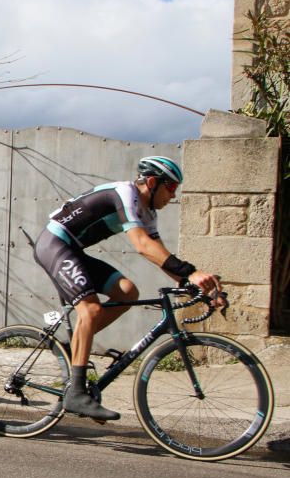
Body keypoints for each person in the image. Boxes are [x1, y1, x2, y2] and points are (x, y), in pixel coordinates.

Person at [33, 156, 224, 421]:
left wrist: (189, 284)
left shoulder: (148, 213)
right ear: (153, 182)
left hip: (73, 250)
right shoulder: (125, 194)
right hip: (54, 244)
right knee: (89, 309)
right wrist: (190, 272)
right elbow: (142, 245)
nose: (174, 195)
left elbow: (158, 254)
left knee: (127, 292)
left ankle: (73, 346)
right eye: (171, 188)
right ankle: (75, 394)